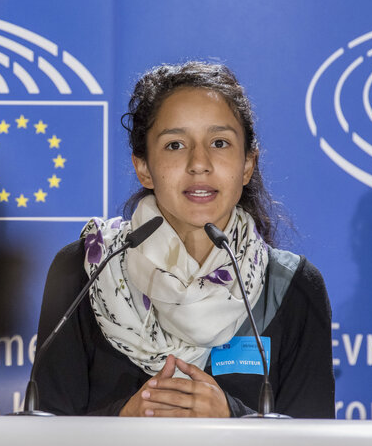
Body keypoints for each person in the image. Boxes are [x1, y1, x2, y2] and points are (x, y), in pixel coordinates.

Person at [34, 61, 334, 418]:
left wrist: (232, 417)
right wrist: (120, 421)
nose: (199, 163)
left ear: (247, 165)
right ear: (143, 167)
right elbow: (43, 437)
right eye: (175, 145)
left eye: (219, 143)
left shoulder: (292, 287)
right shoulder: (86, 272)